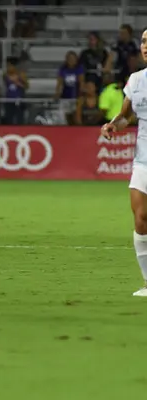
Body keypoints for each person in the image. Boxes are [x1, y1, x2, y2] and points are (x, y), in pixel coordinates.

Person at [101, 28, 147, 297]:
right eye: (143, 42)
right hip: (143, 160)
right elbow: (125, 116)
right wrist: (112, 125)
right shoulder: (136, 80)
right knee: (141, 218)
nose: (145, 46)